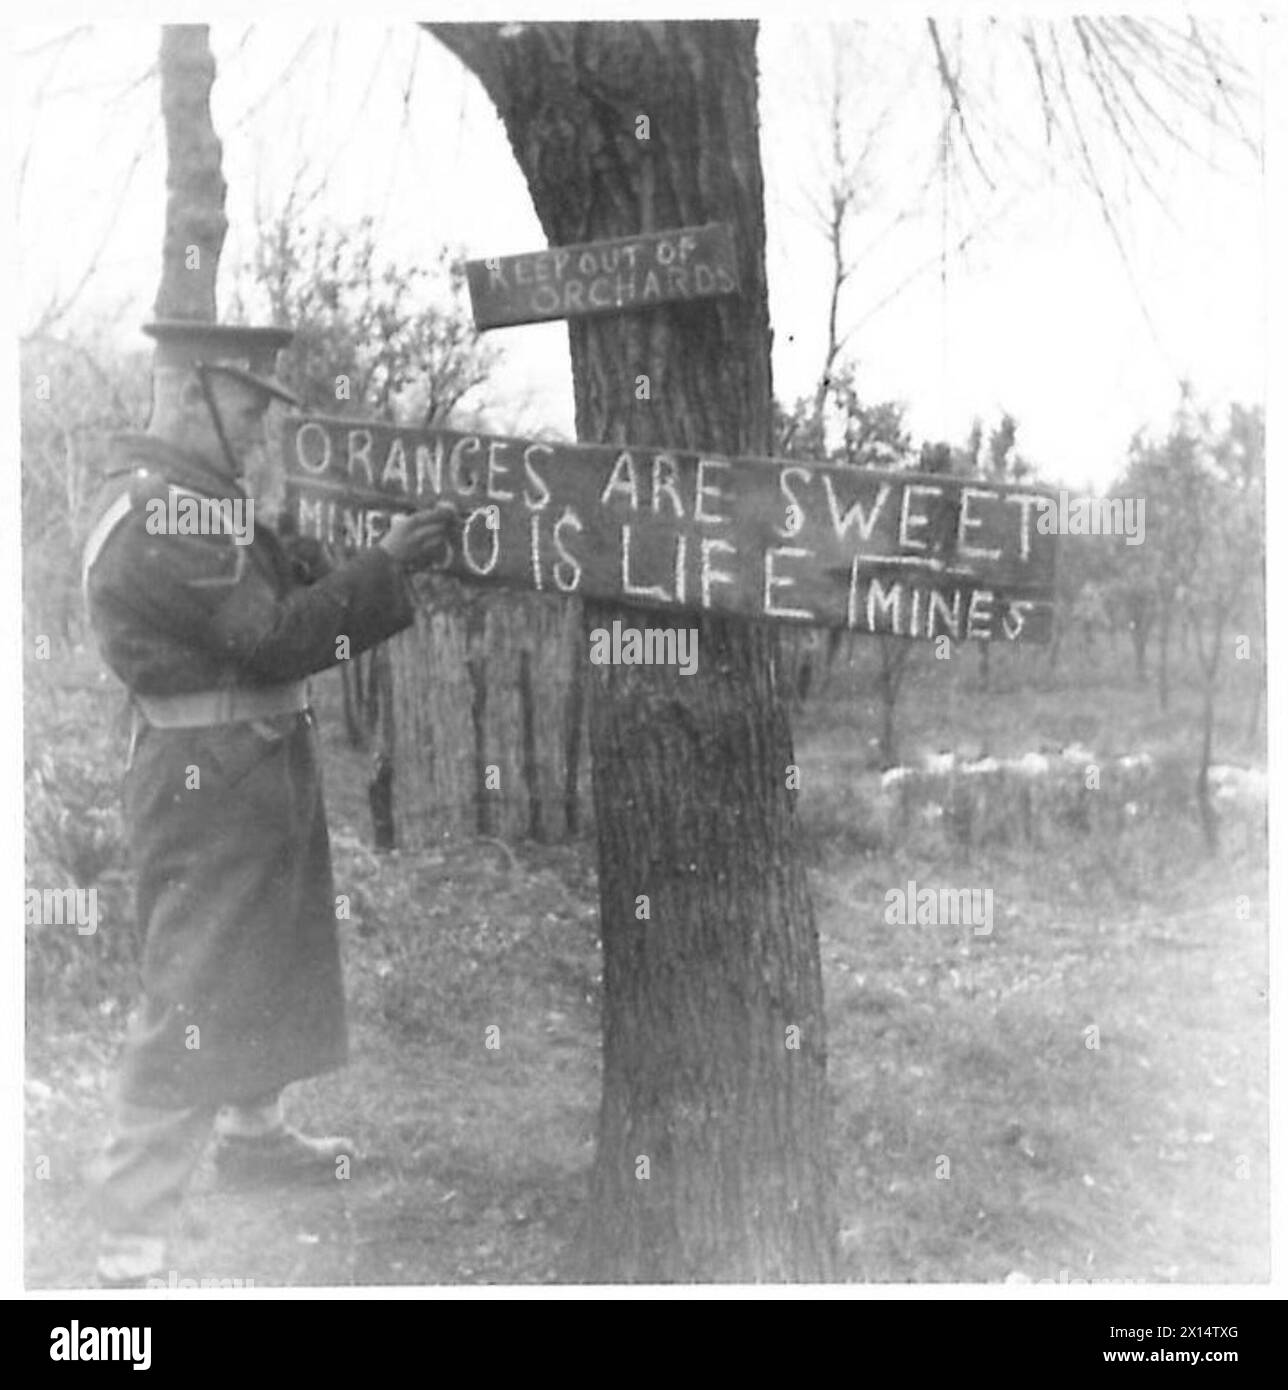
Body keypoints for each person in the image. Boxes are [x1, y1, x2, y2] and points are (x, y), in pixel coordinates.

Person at [81, 320, 456, 1286]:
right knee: (196, 982)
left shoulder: (206, 503)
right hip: (206, 778)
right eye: (245, 409)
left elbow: (292, 588)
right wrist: (389, 569)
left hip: (247, 764)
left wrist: (368, 557)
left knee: (277, 952)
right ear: (187, 388)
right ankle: (129, 1230)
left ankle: (254, 1139)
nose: (254, 432)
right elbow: (280, 638)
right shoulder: (163, 513)